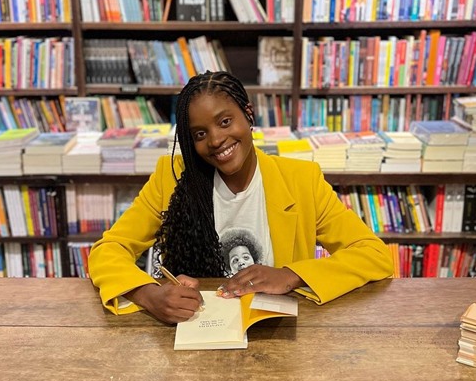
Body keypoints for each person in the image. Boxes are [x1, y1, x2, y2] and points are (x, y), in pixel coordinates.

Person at [88, 71, 393, 324]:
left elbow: (373, 254)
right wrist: (148, 295)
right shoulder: (173, 177)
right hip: (195, 331)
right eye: (199, 134)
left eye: (224, 122)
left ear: (248, 114)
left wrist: (292, 275)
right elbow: (108, 250)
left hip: (279, 337)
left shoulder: (302, 180)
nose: (216, 140)